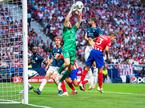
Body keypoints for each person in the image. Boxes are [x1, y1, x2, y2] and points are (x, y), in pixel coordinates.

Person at [57, 4, 83, 91]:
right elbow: (66, 20)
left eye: (70, 23)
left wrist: (80, 12)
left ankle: (60, 80)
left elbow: (79, 21)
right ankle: (58, 73)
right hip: (66, 49)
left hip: (73, 51)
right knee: (67, 63)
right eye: (68, 23)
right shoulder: (65, 31)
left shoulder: (73, 30)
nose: (69, 23)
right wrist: (71, 10)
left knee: (70, 68)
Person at [84, 17, 102, 90]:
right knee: (87, 65)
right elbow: (85, 36)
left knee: (94, 65)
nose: (89, 21)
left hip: (94, 47)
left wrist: (93, 40)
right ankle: (91, 82)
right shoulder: (88, 29)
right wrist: (88, 39)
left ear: (93, 22)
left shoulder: (98, 29)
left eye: (90, 20)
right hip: (88, 47)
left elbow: (100, 37)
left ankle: (94, 83)